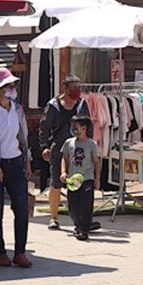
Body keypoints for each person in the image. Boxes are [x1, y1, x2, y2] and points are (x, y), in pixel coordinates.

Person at [0, 67, 34, 268]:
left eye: (13, 85)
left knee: (21, 208)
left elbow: (23, 138)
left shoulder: (18, 110)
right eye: (7, 86)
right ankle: (0, 252)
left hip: (16, 163)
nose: (12, 89)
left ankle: (20, 252)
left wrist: (27, 160)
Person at [38, 73, 88, 230]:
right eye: (73, 88)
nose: (77, 91)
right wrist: (44, 146)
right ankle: (53, 217)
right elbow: (44, 127)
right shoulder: (53, 106)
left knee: (78, 183)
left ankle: (79, 219)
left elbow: (88, 125)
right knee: (56, 182)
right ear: (65, 89)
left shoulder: (81, 104)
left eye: (78, 87)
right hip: (58, 148)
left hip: (77, 149)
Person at [60, 116, 100, 240]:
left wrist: (97, 179)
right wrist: (63, 172)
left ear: (84, 128)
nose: (74, 130)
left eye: (76, 127)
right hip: (72, 180)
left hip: (87, 179)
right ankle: (79, 225)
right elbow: (64, 158)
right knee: (73, 206)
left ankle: (84, 229)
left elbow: (96, 162)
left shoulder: (91, 144)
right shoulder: (68, 143)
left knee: (86, 205)